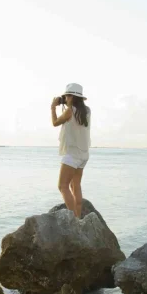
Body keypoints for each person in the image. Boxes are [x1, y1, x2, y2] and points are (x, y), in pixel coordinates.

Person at [51, 82, 91, 218]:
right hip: (84, 154)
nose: (65, 99)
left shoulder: (69, 111)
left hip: (73, 154)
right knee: (76, 186)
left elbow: (55, 123)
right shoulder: (87, 111)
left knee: (62, 186)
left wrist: (52, 108)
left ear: (72, 97)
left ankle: (74, 220)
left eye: (67, 96)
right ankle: (79, 218)